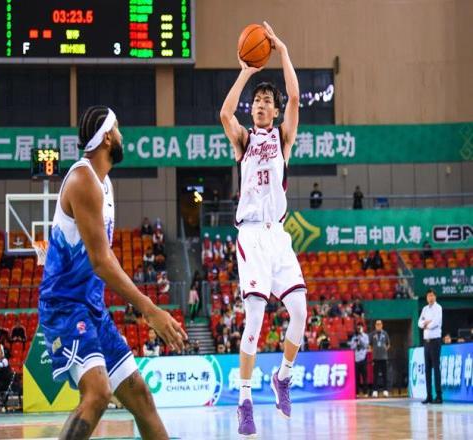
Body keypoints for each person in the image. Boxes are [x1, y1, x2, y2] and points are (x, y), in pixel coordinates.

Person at [38, 106, 186, 440]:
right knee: (98, 393)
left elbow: (104, 257)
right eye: (117, 128)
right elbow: (100, 262)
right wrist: (149, 308)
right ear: (107, 137)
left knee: (141, 397)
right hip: (64, 306)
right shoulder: (83, 180)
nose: (121, 135)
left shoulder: (104, 184)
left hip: (91, 306)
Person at [220, 21, 306, 437]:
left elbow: (296, 97)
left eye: (266, 101)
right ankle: (245, 401)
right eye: (256, 101)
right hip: (252, 235)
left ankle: (282, 377)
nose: (260, 105)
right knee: (254, 318)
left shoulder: (284, 138)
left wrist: (283, 51)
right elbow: (225, 113)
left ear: (274, 111)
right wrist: (246, 72)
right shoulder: (243, 140)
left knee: (300, 312)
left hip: (279, 236)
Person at [418, 289, 443, 404]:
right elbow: (419, 323)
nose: (430, 298)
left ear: (435, 297)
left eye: (432, 295)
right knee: (427, 369)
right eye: (428, 296)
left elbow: (436, 323)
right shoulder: (424, 309)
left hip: (435, 341)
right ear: (426, 297)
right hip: (426, 342)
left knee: (436, 368)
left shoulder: (438, 308)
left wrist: (427, 324)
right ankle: (429, 396)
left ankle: (439, 396)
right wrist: (425, 323)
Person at [369, 320, 391, 397]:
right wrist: (372, 350)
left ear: (382, 325)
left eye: (380, 324)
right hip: (375, 357)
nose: (378, 325)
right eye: (377, 324)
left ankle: (385, 390)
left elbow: (388, 344)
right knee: (375, 375)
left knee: (385, 374)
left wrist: (385, 349)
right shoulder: (372, 334)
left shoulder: (385, 333)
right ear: (375, 325)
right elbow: (370, 344)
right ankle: (375, 390)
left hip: (384, 357)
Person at [349, 324, 369, 396]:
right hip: (356, 359)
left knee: (364, 376)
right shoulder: (354, 337)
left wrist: (360, 339)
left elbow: (366, 345)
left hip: (363, 358)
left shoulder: (365, 336)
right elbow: (352, 347)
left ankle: (365, 392)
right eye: (358, 328)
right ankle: (357, 392)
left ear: (362, 328)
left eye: (360, 328)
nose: (359, 329)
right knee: (356, 377)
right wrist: (355, 341)